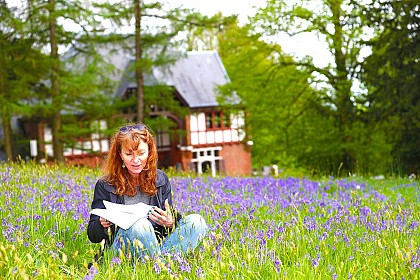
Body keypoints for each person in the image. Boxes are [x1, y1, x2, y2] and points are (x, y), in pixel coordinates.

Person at [87, 123, 208, 259]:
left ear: (149, 151)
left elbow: (169, 220)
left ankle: (156, 266)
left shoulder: (160, 180)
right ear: (120, 154)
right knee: (140, 225)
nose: (136, 160)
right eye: (128, 154)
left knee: (197, 222)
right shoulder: (105, 185)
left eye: (141, 153)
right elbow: (93, 235)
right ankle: (163, 266)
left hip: (155, 245)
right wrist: (101, 224)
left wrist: (170, 222)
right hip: (122, 250)